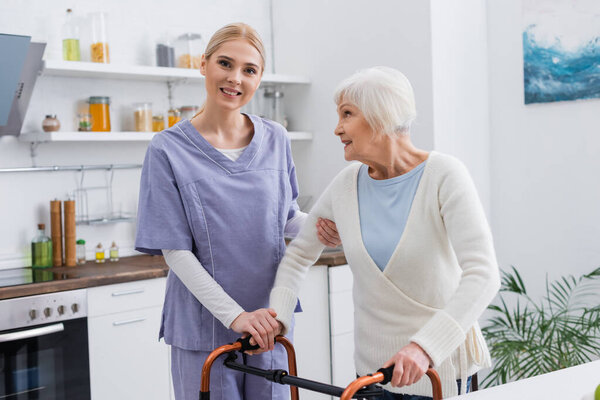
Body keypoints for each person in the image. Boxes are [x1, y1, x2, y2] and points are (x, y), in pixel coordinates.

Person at [265, 66, 500, 399]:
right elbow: (299, 254)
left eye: (347, 114)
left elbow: (484, 275)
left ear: (381, 115)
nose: (337, 128)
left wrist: (424, 348)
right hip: (371, 376)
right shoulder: (346, 185)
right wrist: (279, 317)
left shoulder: (444, 175)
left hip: (438, 373)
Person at [134, 22, 340, 400]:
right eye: (225, 64)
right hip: (204, 328)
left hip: (269, 320)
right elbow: (175, 251)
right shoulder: (167, 149)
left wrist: (330, 226)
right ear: (204, 64)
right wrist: (235, 316)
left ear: (259, 78)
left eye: (249, 70)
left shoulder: (275, 137)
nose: (235, 79)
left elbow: (287, 217)